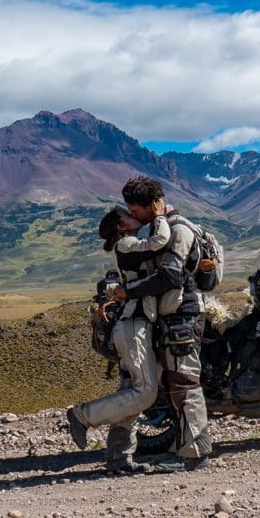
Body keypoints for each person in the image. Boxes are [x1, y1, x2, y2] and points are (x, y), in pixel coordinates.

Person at [111, 176, 212, 472]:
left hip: (183, 317)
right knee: (173, 384)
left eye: (137, 211)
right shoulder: (159, 229)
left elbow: (169, 276)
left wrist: (129, 292)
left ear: (155, 203)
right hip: (170, 317)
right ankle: (182, 447)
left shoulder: (178, 229)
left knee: (184, 383)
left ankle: (193, 454)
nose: (134, 217)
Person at [66, 200, 169, 475]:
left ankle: (119, 458)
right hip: (134, 327)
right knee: (145, 393)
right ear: (122, 225)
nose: (135, 216)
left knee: (130, 395)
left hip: (135, 326)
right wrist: (160, 215)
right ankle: (82, 415)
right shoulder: (125, 244)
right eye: (129, 214)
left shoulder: (129, 244)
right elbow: (160, 241)